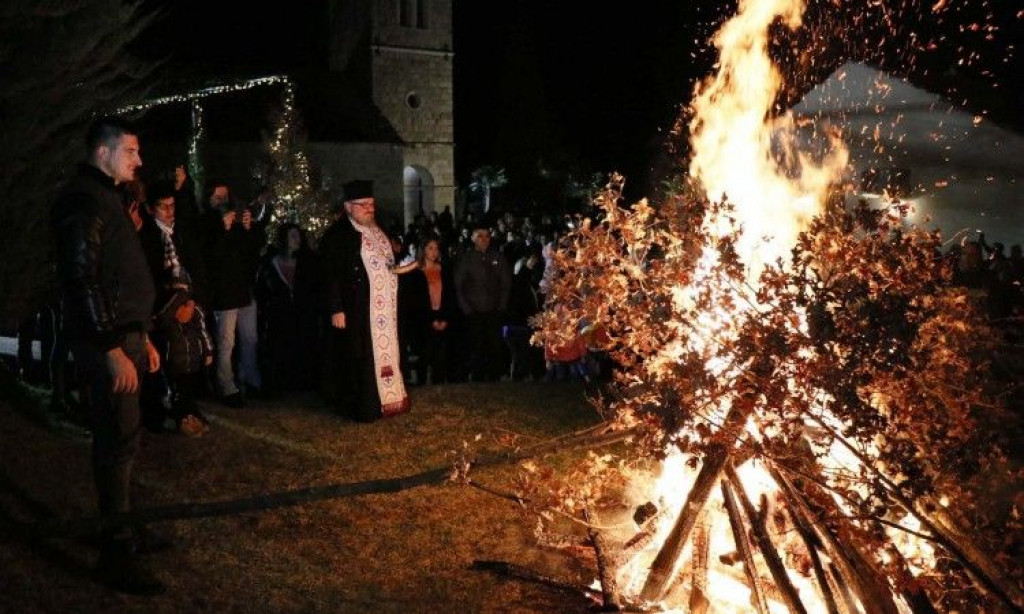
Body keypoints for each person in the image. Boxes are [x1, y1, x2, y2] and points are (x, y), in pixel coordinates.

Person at [50, 116, 165, 595]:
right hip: (109, 342)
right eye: (131, 151)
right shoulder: (84, 200)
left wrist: (142, 334)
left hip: (125, 335)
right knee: (116, 441)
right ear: (104, 152)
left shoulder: (106, 199)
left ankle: (127, 526)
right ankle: (115, 551)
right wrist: (112, 346)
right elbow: (84, 279)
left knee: (127, 438)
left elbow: (118, 274)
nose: (139, 160)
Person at [320, 180, 410, 421]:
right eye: (364, 205)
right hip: (356, 309)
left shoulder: (377, 230)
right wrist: (336, 308)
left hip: (383, 311)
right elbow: (330, 275)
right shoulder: (337, 236)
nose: (370, 208)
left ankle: (389, 400)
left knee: (383, 354)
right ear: (348, 206)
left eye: (372, 204)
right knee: (358, 358)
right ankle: (364, 405)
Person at [138, 180, 213, 436]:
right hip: (164, 303)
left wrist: (192, 300)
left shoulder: (181, 233)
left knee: (191, 354)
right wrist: (170, 305)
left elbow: (197, 267)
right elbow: (149, 276)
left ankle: (187, 407)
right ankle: (160, 410)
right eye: (163, 207)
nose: (170, 212)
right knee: (168, 357)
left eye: (172, 206)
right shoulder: (148, 236)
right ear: (151, 209)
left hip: (187, 298)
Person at [202, 181, 268, 407]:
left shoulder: (237, 219)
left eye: (225, 196)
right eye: (217, 197)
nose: (222, 201)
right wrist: (223, 229)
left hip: (244, 289)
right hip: (225, 291)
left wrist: (248, 228)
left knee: (250, 338)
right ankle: (226, 385)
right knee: (226, 340)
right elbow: (211, 256)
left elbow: (252, 251)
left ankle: (249, 378)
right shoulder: (208, 222)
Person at [256, 222, 321, 393]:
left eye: (298, 235)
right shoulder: (272, 263)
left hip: (302, 314)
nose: (297, 239)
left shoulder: (307, 262)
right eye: (292, 236)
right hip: (281, 314)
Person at [454, 224, 512, 381]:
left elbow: (506, 283)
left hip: (494, 311)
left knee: (495, 346)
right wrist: (467, 309)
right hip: (474, 312)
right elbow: (459, 286)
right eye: (480, 236)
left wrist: (501, 307)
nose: (484, 239)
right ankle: (477, 377)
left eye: (487, 235)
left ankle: (494, 377)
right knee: (476, 347)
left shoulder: (497, 257)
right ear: (473, 238)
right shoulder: (467, 259)